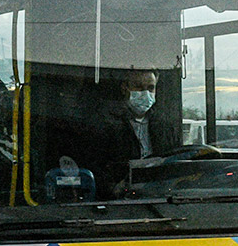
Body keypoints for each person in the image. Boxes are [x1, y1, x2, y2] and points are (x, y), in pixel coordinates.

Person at [75, 68, 179, 197]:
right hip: (118, 201)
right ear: (125, 88)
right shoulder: (105, 123)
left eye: (150, 88)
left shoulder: (164, 126)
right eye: (139, 88)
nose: (145, 93)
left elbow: (173, 163)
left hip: (158, 197)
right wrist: (113, 188)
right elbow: (93, 167)